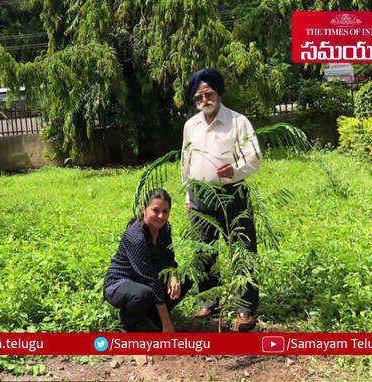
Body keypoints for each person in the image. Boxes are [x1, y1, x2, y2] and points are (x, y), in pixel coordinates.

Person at [181, 67, 261, 332]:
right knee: (204, 252)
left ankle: (245, 308)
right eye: (199, 97)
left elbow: (254, 157)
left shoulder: (238, 122)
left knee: (243, 251)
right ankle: (209, 301)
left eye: (209, 94)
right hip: (200, 198)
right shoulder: (190, 126)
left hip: (232, 195)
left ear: (219, 92)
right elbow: (186, 161)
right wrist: (187, 194)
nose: (204, 101)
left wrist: (235, 170)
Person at [103, 189, 193, 332]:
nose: (161, 216)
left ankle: (153, 316)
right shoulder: (136, 236)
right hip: (120, 283)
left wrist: (174, 276)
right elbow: (150, 279)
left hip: (147, 280)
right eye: (155, 210)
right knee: (143, 294)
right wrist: (167, 321)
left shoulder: (165, 228)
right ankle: (126, 325)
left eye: (165, 211)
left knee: (186, 277)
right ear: (144, 209)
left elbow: (169, 258)